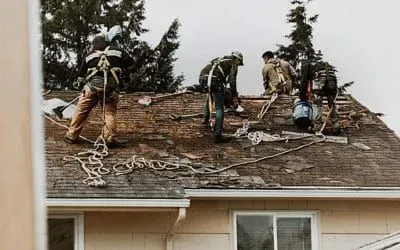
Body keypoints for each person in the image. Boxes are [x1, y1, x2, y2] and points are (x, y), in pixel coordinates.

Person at [65, 25, 134, 147]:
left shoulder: (89, 55)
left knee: (81, 110)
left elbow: (81, 74)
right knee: (110, 112)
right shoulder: (118, 51)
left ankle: (72, 135)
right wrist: (121, 72)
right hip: (110, 89)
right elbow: (131, 64)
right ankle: (109, 139)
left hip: (91, 87)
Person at [199, 51, 244, 143]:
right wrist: (234, 96)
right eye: (239, 63)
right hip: (215, 80)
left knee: (211, 95)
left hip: (203, 78)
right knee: (219, 107)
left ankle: (205, 121)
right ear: (237, 59)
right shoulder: (233, 63)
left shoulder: (220, 59)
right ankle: (218, 134)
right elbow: (232, 81)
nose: (238, 65)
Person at [298, 60, 340, 134]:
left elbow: (304, 81)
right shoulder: (320, 65)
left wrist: (302, 96)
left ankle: (317, 127)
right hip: (332, 80)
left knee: (316, 104)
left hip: (319, 80)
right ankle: (336, 126)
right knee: (332, 104)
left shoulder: (305, 66)